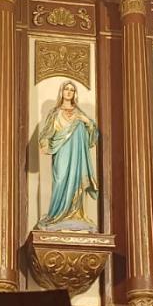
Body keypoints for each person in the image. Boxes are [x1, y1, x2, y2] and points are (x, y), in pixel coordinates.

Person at [36, 80, 99, 228]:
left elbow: (93, 135)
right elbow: (46, 134)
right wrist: (44, 144)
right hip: (62, 153)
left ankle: (75, 214)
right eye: (66, 89)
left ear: (74, 93)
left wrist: (87, 122)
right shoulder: (55, 113)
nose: (69, 92)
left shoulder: (79, 114)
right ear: (61, 92)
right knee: (61, 180)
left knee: (76, 182)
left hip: (77, 156)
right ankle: (56, 215)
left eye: (72, 90)